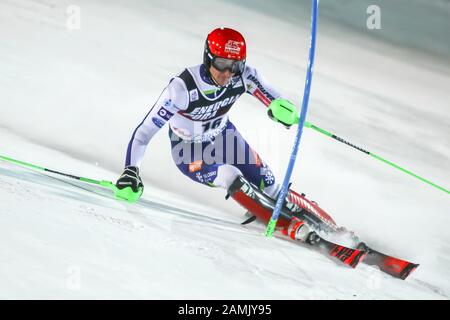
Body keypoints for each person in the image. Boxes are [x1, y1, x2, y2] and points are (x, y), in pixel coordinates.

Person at [115, 27, 333, 241]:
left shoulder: (244, 76)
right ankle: (291, 227)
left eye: (235, 65)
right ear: (208, 58)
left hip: (225, 137)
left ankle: (330, 227)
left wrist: (285, 111)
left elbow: (276, 99)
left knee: (270, 184)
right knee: (230, 175)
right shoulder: (181, 89)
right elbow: (143, 133)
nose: (228, 73)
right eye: (221, 63)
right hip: (188, 151)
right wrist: (130, 171)